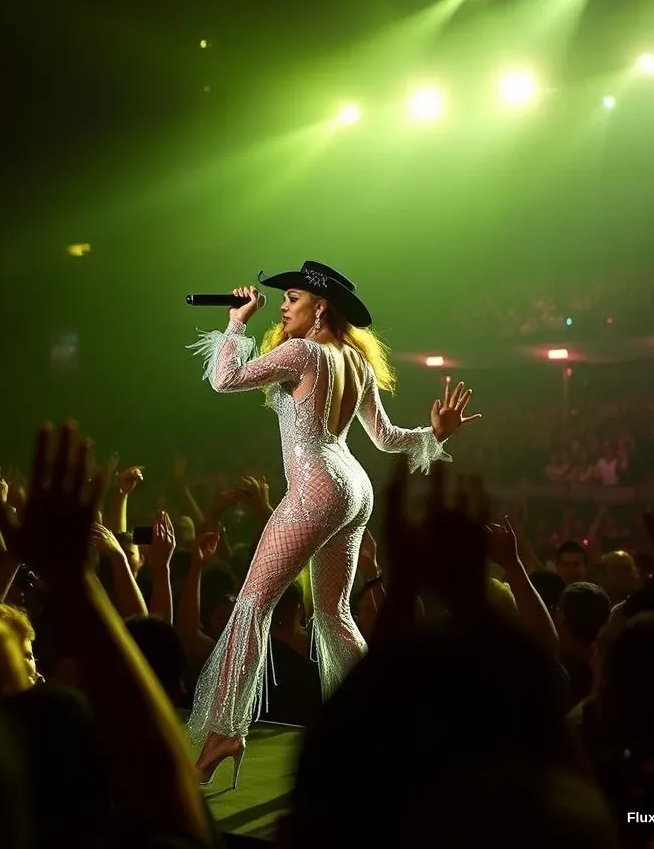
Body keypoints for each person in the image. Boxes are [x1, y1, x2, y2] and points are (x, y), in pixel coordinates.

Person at [187, 261, 481, 784]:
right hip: (354, 489)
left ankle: (225, 729)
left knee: (253, 603)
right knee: (331, 612)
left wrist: (237, 322)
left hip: (316, 488)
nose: (282, 305)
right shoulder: (354, 362)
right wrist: (436, 434)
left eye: (292, 297)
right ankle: (380, 723)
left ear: (320, 306)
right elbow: (388, 439)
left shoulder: (302, 352)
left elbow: (223, 379)